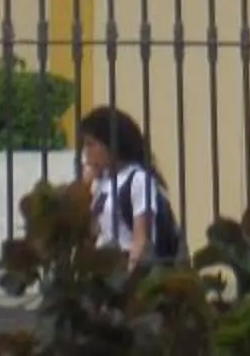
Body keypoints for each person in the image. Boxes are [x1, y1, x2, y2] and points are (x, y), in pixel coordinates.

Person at [76, 106, 183, 268]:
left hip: (125, 267)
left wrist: (129, 277)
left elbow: (141, 238)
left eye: (91, 144)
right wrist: (84, 188)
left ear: (110, 144)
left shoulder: (137, 179)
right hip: (102, 267)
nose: (85, 152)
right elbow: (91, 232)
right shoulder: (100, 182)